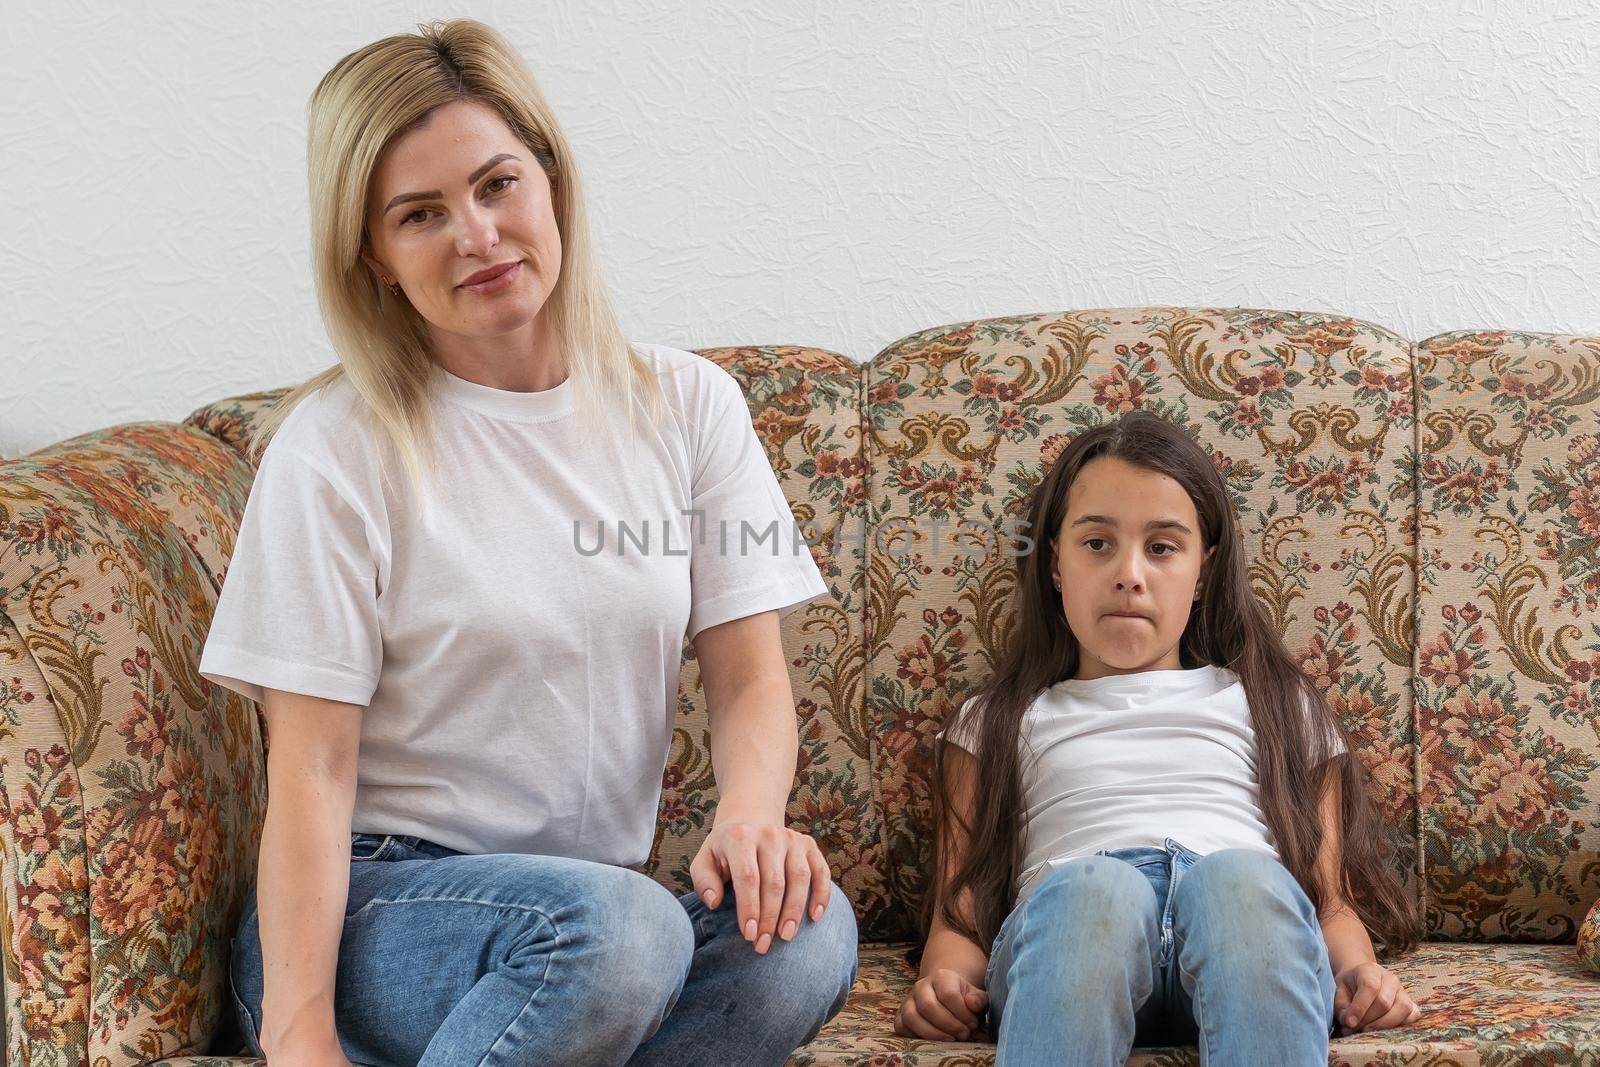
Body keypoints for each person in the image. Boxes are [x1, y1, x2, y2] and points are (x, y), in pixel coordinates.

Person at [198, 18, 855, 1067]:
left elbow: (746, 678)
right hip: (383, 907)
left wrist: (747, 818)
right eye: (420, 214)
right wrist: (298, 1035)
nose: (477, 233)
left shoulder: (687, 406)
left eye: (497, 183)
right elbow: (311, 771)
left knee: (806, 934)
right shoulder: (336, 449)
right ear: (371, 254)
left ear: (551, 179)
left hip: (580, 926)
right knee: (619, 929)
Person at [894, 410, 1423, 1064]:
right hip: (1071, 944)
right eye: (1096, 543)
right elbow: (960, 911)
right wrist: (941, 983)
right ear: (1054, 562)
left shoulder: (1276, 703)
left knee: (1238, 882)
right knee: (1098, 890)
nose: (1130, 574)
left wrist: (1359, 972)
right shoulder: (997, 718)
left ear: (1203, 570)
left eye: (1163, 546)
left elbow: (1330, 898)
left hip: (1246, 936)